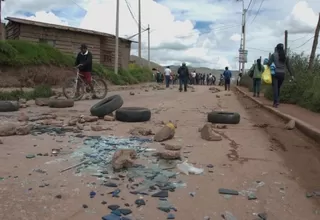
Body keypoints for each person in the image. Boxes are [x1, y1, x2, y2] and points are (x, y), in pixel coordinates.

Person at [268, 43, 294, 108]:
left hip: (275, 74)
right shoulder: (285, 56)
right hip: (282, 74)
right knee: (278, 88)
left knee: (275, 88)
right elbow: (288, 66)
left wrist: (271, 64)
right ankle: (277, 101)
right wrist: (292, 75)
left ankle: (276, 102)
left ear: (276, 48)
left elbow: (269, 63)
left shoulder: (274, 55)